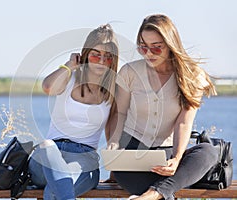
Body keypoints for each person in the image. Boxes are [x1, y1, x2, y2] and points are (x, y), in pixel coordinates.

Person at [106, 14, 219, 200]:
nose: (148, 53)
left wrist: (176, 159)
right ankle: (159, 192)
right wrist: (114, 144)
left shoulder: (192, 76)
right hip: (133, 154)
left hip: (167, 154)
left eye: (156, 48)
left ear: (170, 44)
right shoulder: (129, 72)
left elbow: (184, 122)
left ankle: (151, 194)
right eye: (143, 47)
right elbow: (119, 113)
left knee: (208, 152)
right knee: (125, 166)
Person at [28, 24, 119, 200]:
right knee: (47, 146)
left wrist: (114, 172)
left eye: (107, 57)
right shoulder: (69, 78)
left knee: (57, 189)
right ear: (85, 54)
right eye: (95, 55)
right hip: (48, 156)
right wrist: (70, 65)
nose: (101, 61)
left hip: (84, 159)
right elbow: (47, 87)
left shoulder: (112, 92)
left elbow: (112, 136)